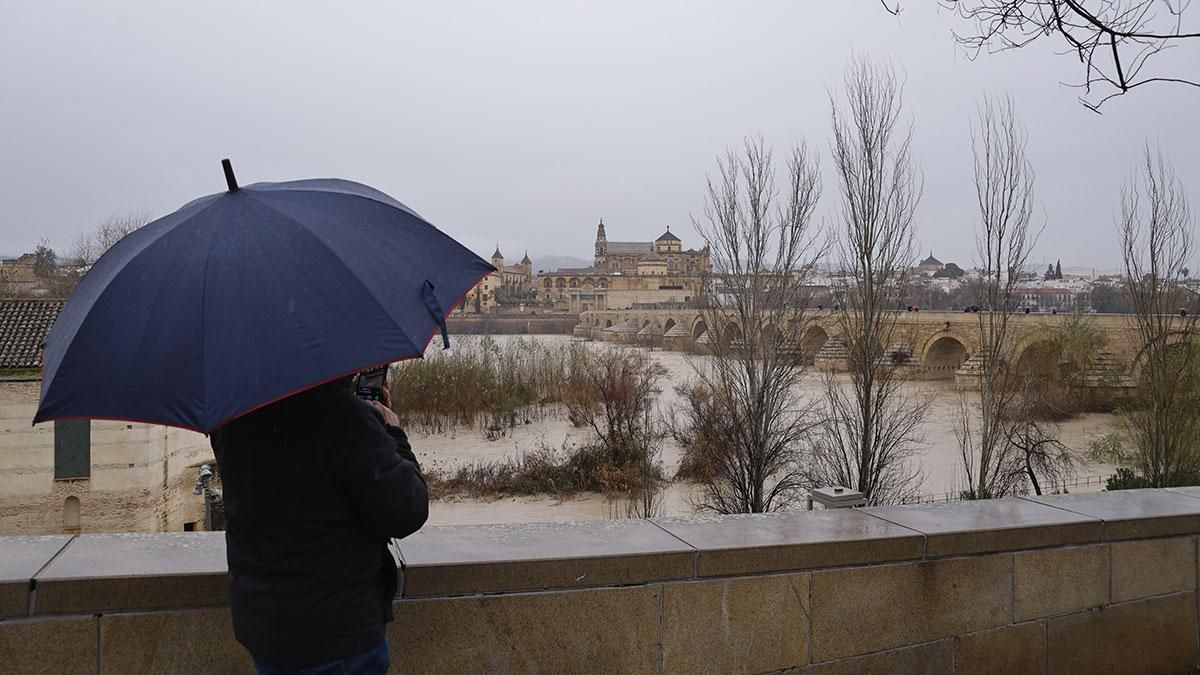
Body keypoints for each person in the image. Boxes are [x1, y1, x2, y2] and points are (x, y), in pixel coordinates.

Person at [210, 373, 428, 675]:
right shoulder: (344, 416)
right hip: (336, 633)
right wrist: (391, 432)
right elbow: (407, 509)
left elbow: (293, 487)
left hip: (263, 622)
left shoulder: (232, 413)